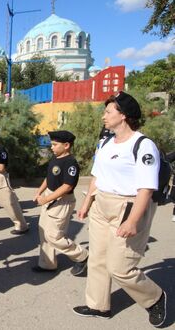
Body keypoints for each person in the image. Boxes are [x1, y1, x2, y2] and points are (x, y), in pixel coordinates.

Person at [73, 92, 167, 327]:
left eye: (108, 111)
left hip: (128, 207)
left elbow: (146, 188)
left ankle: (154, 298)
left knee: (120, 267)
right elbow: (96, 175)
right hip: (101, 204)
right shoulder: (106, 141)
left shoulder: (143, 145)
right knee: (97, 259)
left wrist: (133, 221)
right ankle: (98, 305)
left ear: (123, 116)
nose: (104, 116)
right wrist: (86, 203)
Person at [32, 130, 89, 275]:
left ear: (66, 145)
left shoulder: (70, 163)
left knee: (54, 236)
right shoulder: (55, 158)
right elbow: (49, 177)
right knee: (43, 231)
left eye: (55, 144)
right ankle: (47, 263)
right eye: (52, 144)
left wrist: (46, 199)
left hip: (61, 200)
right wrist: (39, 192)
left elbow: (67, 186)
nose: (52, 147)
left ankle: (82, 256)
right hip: (50, 197)